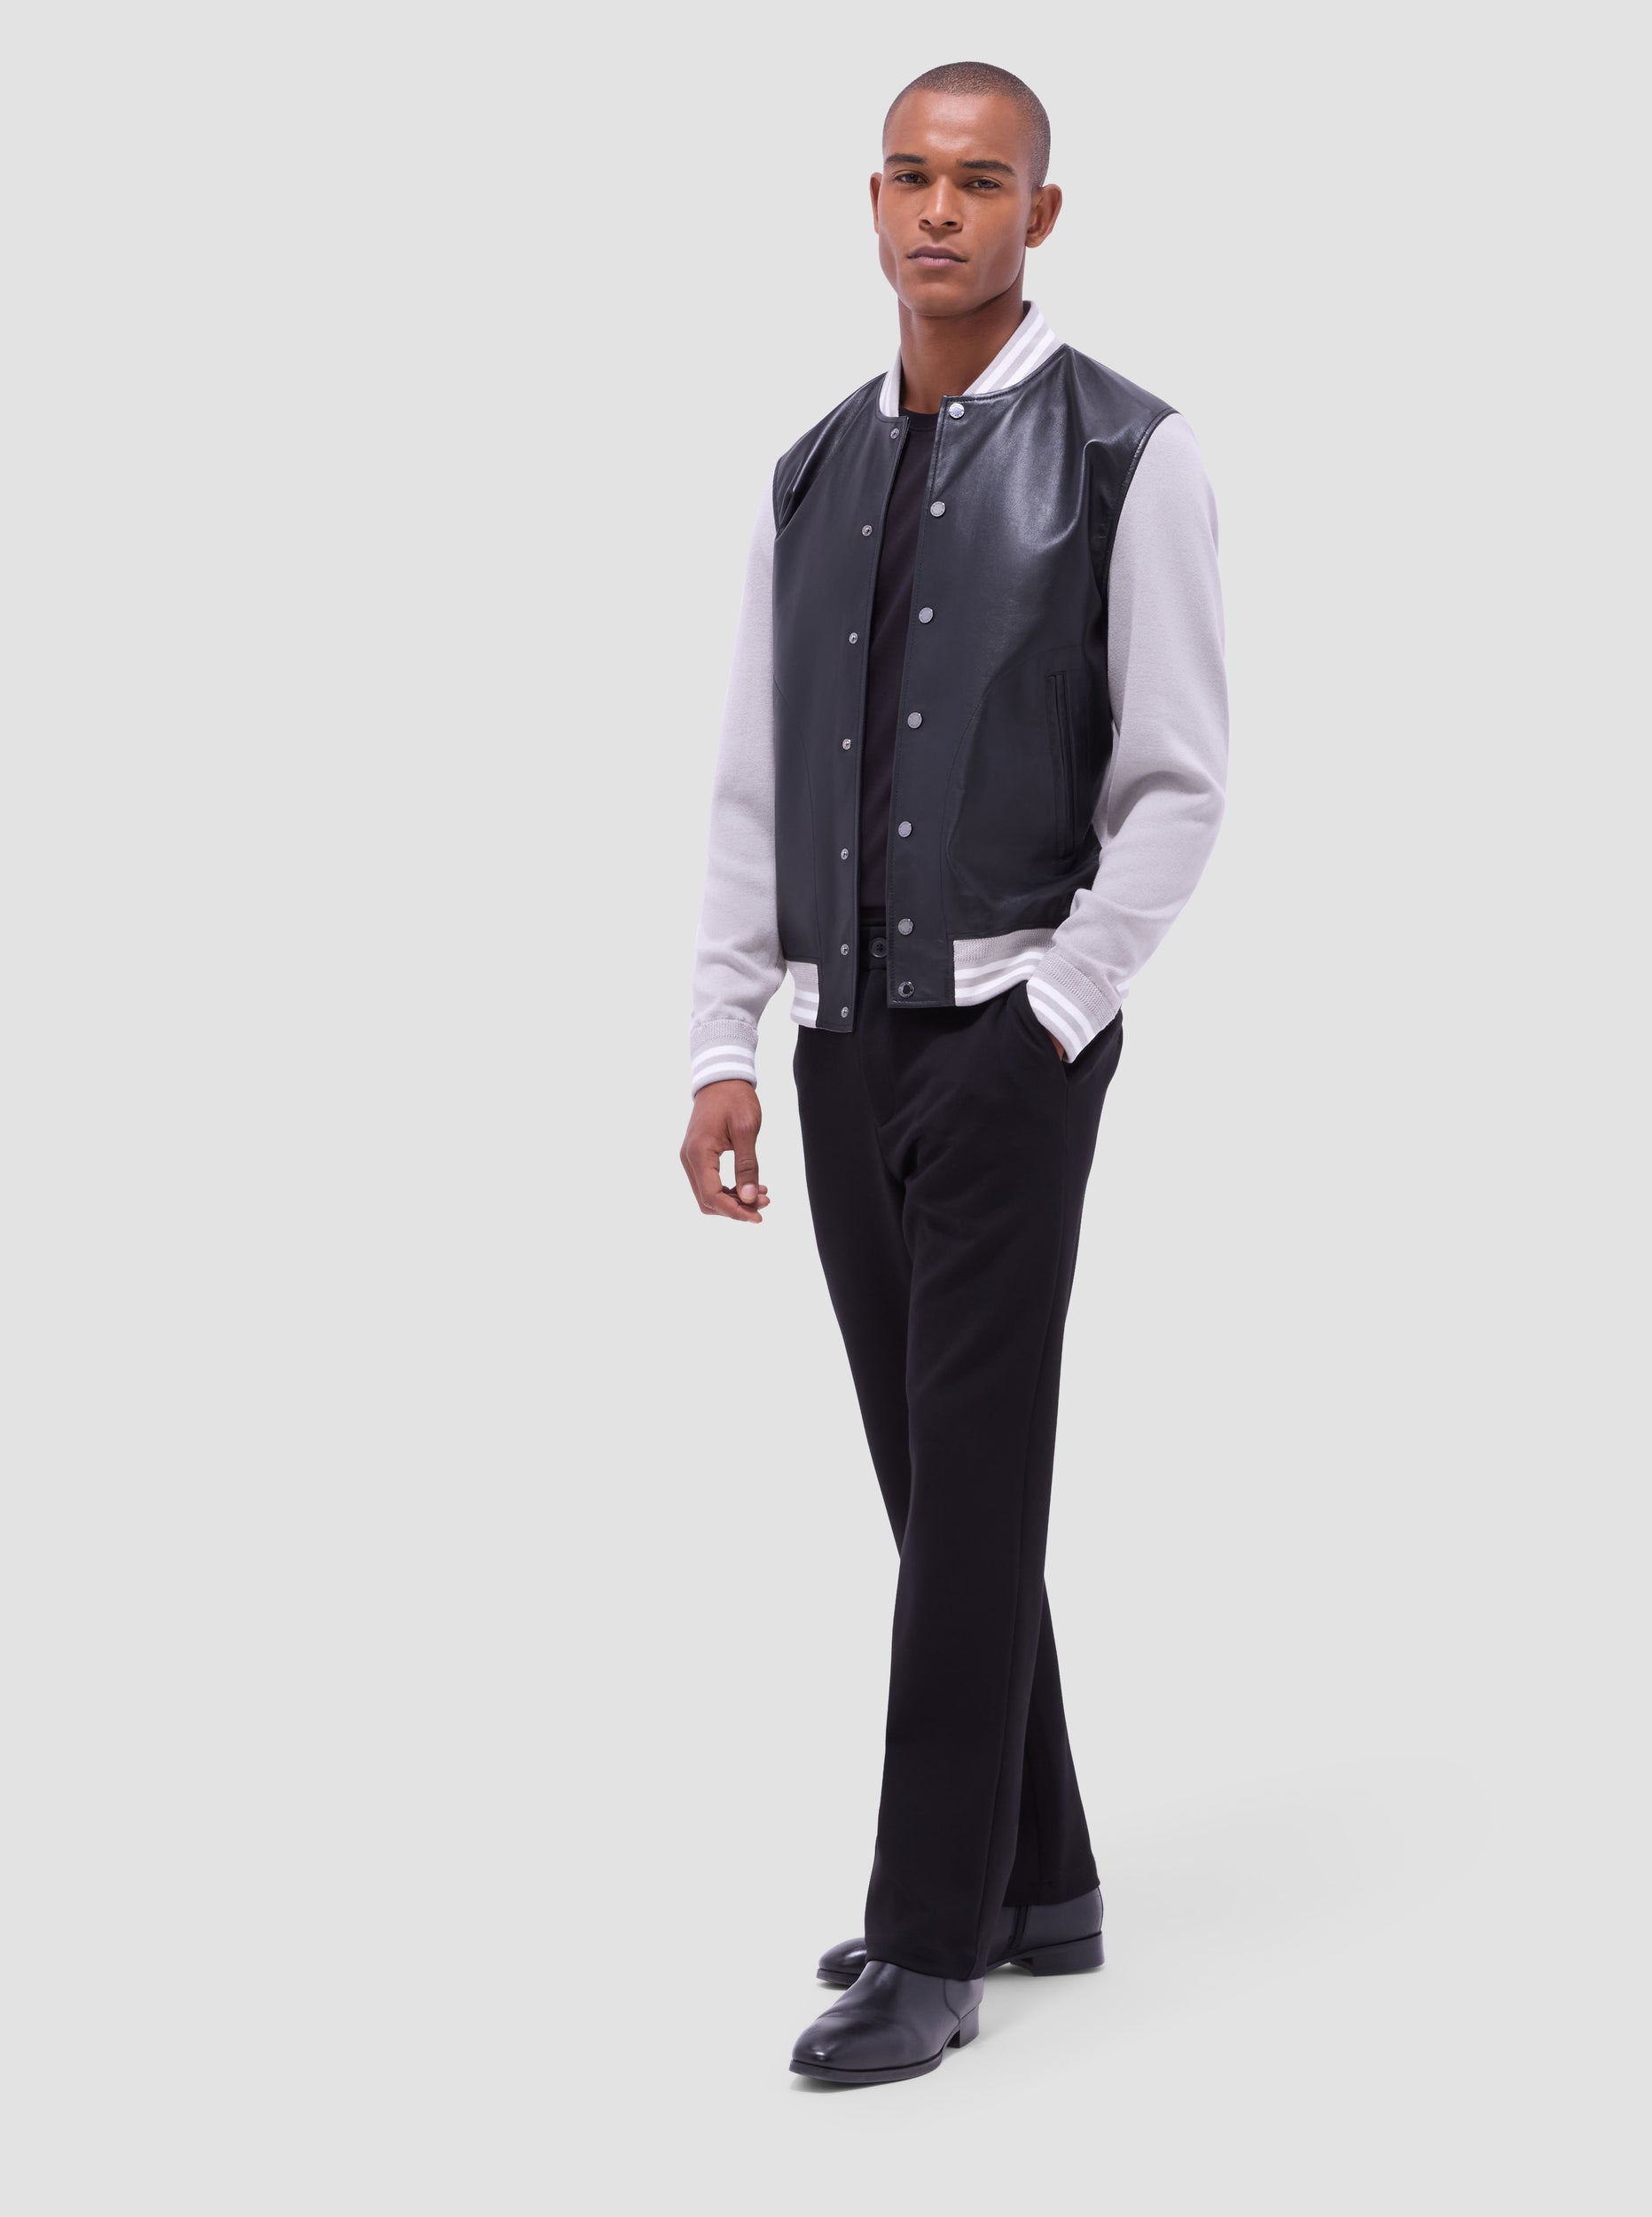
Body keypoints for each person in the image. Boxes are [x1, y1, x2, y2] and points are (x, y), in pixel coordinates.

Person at [679, 59, 1229, 2086]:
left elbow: (1177, 780)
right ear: (873, 198)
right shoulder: (811, 469)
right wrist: (723, 1035)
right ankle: (1041, 1876)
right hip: (840, 1042)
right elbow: (752, 779)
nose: (939, 211)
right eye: (910, 176)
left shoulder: (1126, 452)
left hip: (1012, 1035)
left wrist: (1052, 1019)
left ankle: (927, 1941)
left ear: (1038, 214)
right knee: (938, 1488)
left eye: (979, 181)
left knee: (975, 1484)